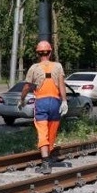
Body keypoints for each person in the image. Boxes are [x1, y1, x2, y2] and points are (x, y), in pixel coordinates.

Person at [22, 40, 66, 174]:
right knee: (52, 131)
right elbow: (62, 84)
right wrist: (64, 101)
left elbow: (27, 86)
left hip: (41, 102)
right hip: (56, 102)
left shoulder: (34, 68)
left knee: (43, 132)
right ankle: (49, 155)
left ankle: (45, 163)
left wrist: (22, 99)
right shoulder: (58, 66)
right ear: (50, 53)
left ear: (38, 54)